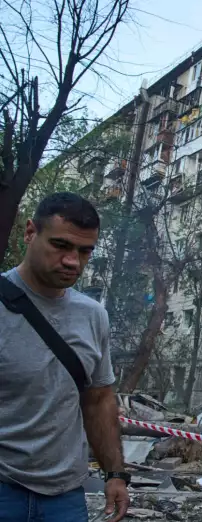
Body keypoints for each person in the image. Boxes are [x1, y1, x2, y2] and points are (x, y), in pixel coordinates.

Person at [0, 193, 129, 522]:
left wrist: (115, 473)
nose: (73, 261)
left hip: (66, 497)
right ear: (30, 232)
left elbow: (98, 400)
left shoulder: (93, 315)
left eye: (85, 251)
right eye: (61, 245)